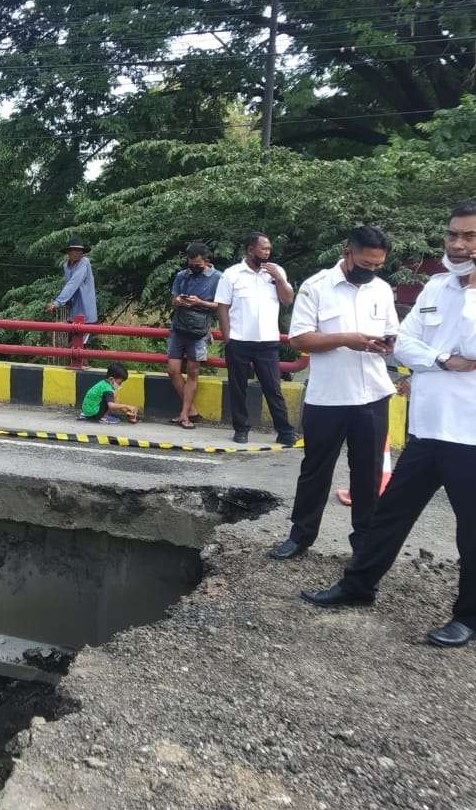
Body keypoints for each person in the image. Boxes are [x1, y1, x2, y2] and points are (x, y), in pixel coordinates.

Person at [300, 201, 476, 649]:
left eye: (470, 236)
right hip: (427, 428)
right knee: (391, 513)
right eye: (453, 235)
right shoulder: (435, 287)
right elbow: (403, 345)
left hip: (475, 432)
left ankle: (470, 616)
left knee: (474, 528)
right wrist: (443, 360)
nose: (459, 244)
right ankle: (358, 585)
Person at [269, 226, 398, 560]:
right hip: (328, 398)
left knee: (368, 474)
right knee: (315, 470)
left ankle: (363, 545)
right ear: (347, 252)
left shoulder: (381, 290)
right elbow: (299, 339)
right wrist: (346, 339)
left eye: (377, 266)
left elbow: (391, 332)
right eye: (366, 264)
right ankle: (300, 537)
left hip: (372, 395)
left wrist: (387, 344)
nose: (371, 271)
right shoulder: (316, 287)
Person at [214, 232, 297, 446]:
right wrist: (227, 336)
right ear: (251, 250)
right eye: (263, 249)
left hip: (268, 342)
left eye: (269, 249)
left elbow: (288, 300)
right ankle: (241, 429)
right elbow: (222, 306)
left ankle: (285, 430)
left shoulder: (276, 272)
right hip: (239, 341)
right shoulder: (232, 274)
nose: (267, 253)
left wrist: (279, 278)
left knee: (273, 387)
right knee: (238, 387)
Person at [166, 242, 221, 429]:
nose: (193, 268)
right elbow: (173, 300)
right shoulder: (182, 275)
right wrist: (179, 301)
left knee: (192, 372)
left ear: (206, 260)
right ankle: (191, 410)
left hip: (199, 331)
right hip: (179, 327)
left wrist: (200, 303)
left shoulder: (218, 278)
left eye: (197, 265)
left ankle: (184, 414)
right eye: (190, 264)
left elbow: (221, 306)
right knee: (173, 370)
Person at [45, 235, 97, 338]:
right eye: (75, 250)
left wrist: (57, 303)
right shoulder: (66, 266)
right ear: (68, 252)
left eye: (80, 250)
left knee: (82, 350)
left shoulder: (84, 262)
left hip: (86, 316)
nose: (79, 253)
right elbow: (70, 287)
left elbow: (73, 284)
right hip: (73, 315)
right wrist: (65, 302)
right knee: (72, 349)